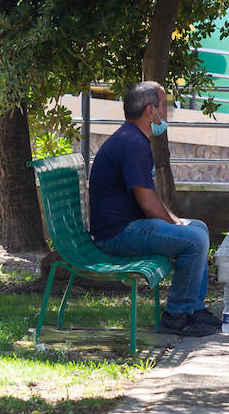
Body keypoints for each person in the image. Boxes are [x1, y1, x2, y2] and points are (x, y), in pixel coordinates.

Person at [88, 81, 220, 337]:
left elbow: (151, 199)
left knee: (197, 228)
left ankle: (193, 307)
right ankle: (178, 314)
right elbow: (147, 203)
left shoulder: (133, 138)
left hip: (128, 227)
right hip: (117, 235)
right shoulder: (132, 143)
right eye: (164, 106)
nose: (167, 113)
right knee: (193, 240)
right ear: (150, 111)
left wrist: (177, 222)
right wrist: (177, 227)